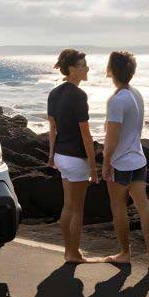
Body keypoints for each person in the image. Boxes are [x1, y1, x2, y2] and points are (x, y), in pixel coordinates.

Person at [101, 51, 149, 269]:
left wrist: (106, 163)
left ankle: (125, 253)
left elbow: (112, 137)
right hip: (138, 159)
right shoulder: (137, 94)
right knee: (143, 207)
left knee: (119, 208)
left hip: (121, 163)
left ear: (111, 70)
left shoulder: (116, 100)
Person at [47, 49, 99, 264]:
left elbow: (53, 129)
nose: (87, 69)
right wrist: (94, 167)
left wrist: (51, 156)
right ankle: (73, 253)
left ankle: (68, 251)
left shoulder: (54, 93)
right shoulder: (79, 95)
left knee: (68, 205)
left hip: (61, 156)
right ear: (71, 70)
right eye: (83, 65)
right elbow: (85, 132)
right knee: (77, 208)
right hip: (76, 159)